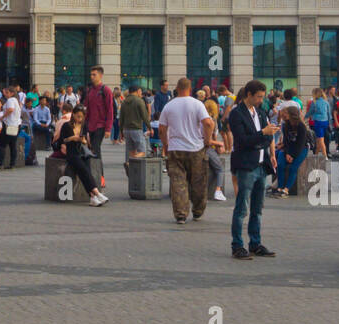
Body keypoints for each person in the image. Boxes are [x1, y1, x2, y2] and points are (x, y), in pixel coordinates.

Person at [227, 79, 280, 258]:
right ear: (248, 95)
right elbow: (242, 140)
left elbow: (266, 138)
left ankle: (255, 243)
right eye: (258, 97)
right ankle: (237, 245)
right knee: (242, 207)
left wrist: (264, 139)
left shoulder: (260, 111)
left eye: (262, 97)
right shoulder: (236, 114)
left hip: (261, 164)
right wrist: (262, 134)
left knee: (258, 208)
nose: (261, 100)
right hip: (246, 165)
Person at [159, 78, 214, 226]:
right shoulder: (197, 104)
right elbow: (208, 123)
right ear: (190, 89)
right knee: (198, 182)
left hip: (175, 148)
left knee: (178, 183)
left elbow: (162, 128)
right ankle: (197, 210)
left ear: (177, 88)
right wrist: (207, 140)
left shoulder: (169, 106)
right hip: (195, 148)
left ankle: (181, 214)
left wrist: (166, 144)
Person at [53, 107, 109, 205]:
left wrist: (83, 141)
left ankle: (92, 197)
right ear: (73, 114)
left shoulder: (84, 125)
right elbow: (62, 141)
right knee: (84, 170)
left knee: (85, 172)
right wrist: (72, 138)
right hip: (71, 153)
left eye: (82, 117)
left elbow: (85, 140)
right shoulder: (66, 126)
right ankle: (97, 193)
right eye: (78, 116)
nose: (80, 119)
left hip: (82, 152)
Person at [82, 66, 115, 187]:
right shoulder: (90, 91)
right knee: (91, 150)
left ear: (100, 75)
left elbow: (110, 110)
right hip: (90, 126)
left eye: (94, 74)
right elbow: (87, 109)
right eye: (91, 74)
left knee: (96, 150)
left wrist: (108, 128)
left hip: (101, 125)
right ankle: (93, 175)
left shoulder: (105, 90)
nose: (92, 77)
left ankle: (100, 177)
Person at [273, 104, 313, 198]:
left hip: (301, 149)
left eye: (286, 113)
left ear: (292, 114)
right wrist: (287, 153)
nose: (284, 115)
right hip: (288, 148)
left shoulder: (301, 127)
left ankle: (286, 189)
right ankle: (280, 187)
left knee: (293, 168)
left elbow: (300, 144)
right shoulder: (286, 125)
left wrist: (293, 155)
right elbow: (286, 141)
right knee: (280, 164)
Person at [119, 84, 151, 177]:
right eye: (140, 91)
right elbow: (144, 116)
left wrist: (121, 131)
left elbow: (121, 117)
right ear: (137, 91)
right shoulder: (139, 101)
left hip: (126, 130)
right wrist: (149, 127)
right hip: (136, 129)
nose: (141, 93)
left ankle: (131, 168)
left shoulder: (124, 102)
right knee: (143, 151)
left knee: (132, 151)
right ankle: (129, 163)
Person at [0, 86, 21, 171]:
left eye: (7, 92)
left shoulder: (10, 100)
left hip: (9, 125)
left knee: (2, 144)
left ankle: (1, 164)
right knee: (12, 145)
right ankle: (12, 164)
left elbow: (10, 109)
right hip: (16, 125)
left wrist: (3, 116)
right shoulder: (16, 100)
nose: (5, 94)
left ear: (11, 93)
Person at [306, 87, 331, 157]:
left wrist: (304, 117)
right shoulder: (326, 102)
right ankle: (316, 154)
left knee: (320, 140)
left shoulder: (314, 102)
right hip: (325, 121)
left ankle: (325, 156)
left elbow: (310, 112)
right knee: (318, 140)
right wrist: (330, 124)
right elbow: (329, 114)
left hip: (318, 122)